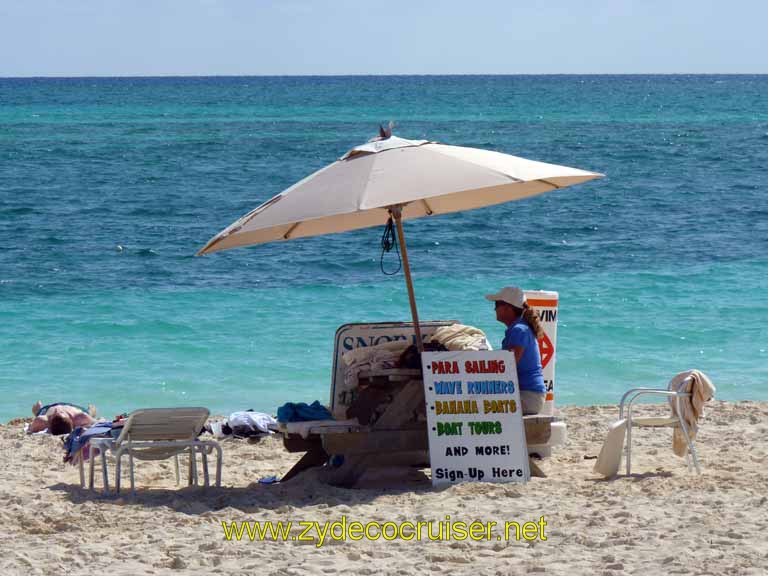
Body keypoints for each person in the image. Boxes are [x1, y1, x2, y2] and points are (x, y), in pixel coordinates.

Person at [485, 286, 547, 415]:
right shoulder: (518, 328)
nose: (494, 308)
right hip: (527, 394)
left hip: (528, 396)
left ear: (508, 308)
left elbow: (508, 365)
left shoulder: (519, 330)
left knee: (480, 407)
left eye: (497, 304)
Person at [28, 402, 95, 435]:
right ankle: (90, 409)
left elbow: (31, 429)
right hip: (73, 408)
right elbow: (94, 422)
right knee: (89, 414)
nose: (58, 411)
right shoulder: (79, 417)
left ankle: (39, 407)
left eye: (56, 413)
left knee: (37, 409)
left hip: (49, 408)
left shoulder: (45, 420)